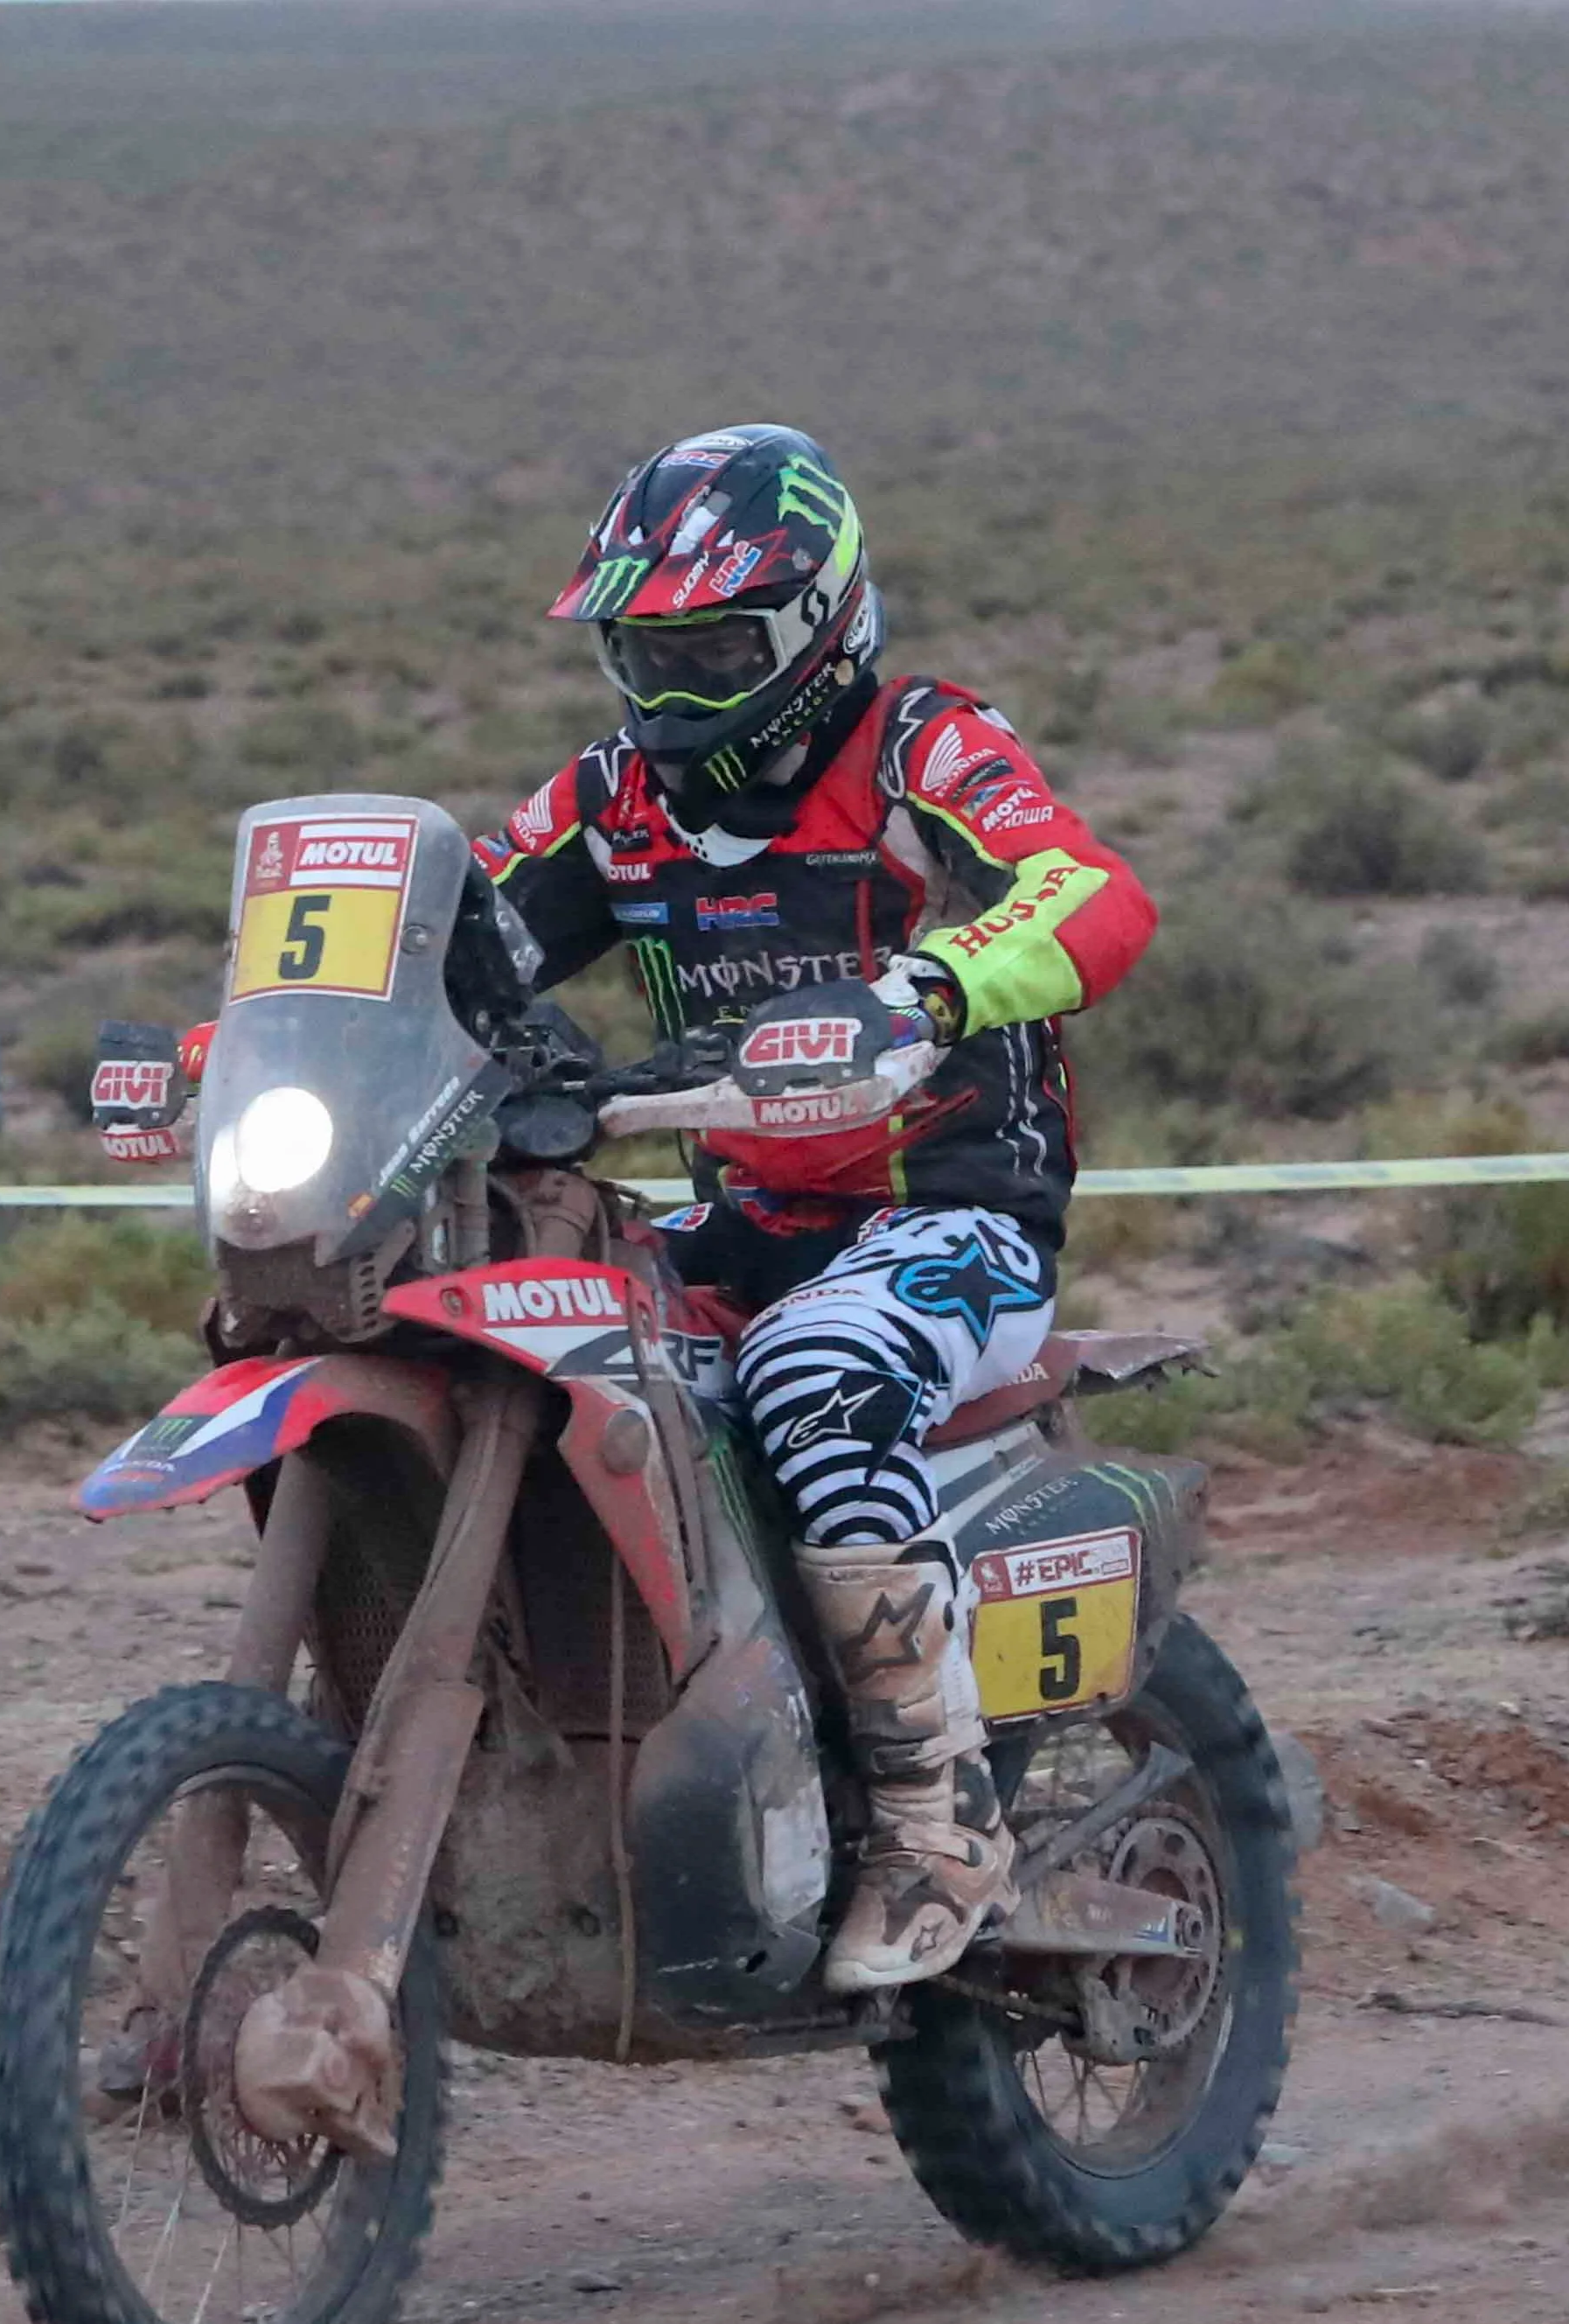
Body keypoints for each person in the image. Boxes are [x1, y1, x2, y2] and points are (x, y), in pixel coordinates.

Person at [471, 423, 1161, 1992]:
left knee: (811, 1375)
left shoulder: (921, 742)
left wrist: (933, 979)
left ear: (813, 624)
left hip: (947, 1215)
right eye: (642, 650)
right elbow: (455, 943)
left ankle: (933, 1817)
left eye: (709, 644)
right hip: (746, 1219)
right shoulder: (608, 800)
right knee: (535, 1354)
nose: (671, 685)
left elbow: (1091, 891)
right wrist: (245, 1040)